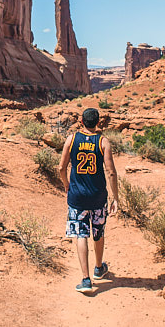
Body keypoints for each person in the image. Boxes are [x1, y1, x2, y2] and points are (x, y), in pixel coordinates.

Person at [58, 107, 119, 293]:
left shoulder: (72, 139)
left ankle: (85, 280)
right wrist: (115, 197)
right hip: (98, 196)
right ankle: (99, 268)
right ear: (98, 122)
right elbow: (111, 172)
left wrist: (66, 184)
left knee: (80, 234)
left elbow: (61, 167)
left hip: (77, 197)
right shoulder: (103, 142)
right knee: (98, 231)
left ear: (82, 122)